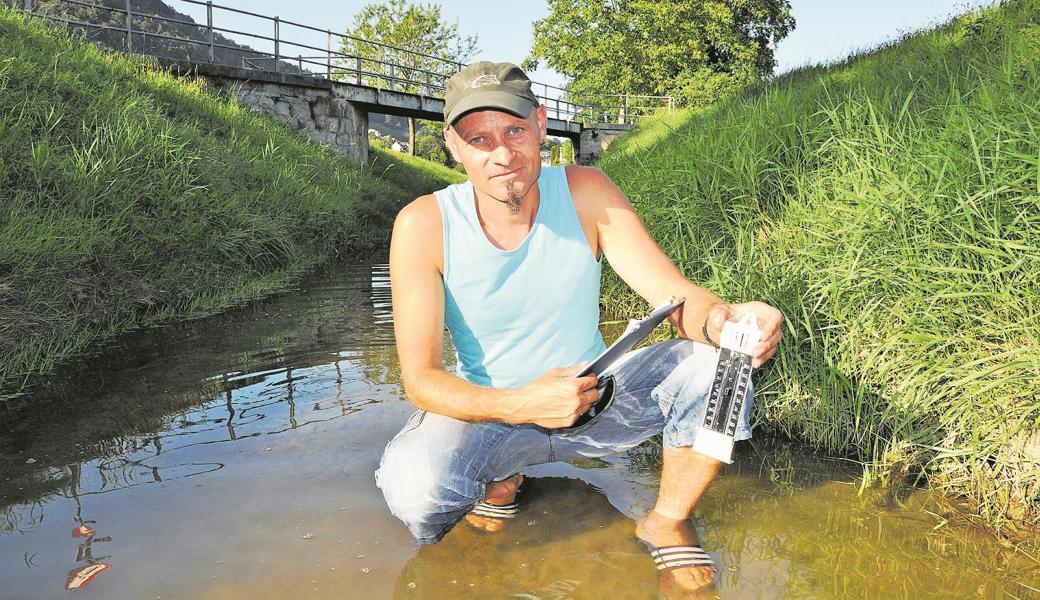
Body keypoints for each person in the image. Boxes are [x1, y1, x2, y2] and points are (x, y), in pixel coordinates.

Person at [375, 61, 783, 594]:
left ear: (542, 126)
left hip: (599, 400)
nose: (502, 154)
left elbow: (675, 297)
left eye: (515, 131)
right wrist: (523, 404)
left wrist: (726, 321)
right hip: (496, 415)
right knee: (414, 488)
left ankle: (667, 519)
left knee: (723, 368)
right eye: (479, 138)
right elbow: (421, 380)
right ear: (453, 146)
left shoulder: (585, 189)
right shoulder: (422, 224)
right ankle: (500, 482)